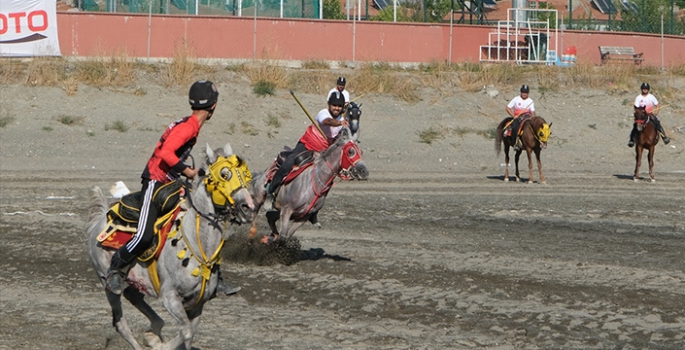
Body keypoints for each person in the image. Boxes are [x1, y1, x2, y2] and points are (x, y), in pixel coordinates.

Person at [106, 80, 238, 296]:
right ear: (213, 106)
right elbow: (165, 153)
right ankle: (115, 271)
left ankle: (216, 278)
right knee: (144, 236)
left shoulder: (190, 125)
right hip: (155, 182)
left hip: (171, 184)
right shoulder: (188, 127)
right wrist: (189, 171)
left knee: (204, 223)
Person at [264, 91, 349, 210]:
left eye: (339, 106)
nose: (336, 108)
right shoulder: (323, 114)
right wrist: (340, 123)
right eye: (334, 105)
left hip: (322, 152)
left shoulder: (342, 121)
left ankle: (313, 207)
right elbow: (327, 122)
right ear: (329, 104)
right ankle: (270, 191)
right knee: (288, 163)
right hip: (306, 145)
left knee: (327, 179)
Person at [628, 82, 670, 147]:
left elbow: (657, 105)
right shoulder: (638, 98)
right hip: (642, 115)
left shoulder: (651, 97)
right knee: (635, 125)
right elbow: (636, 108)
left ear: (648, 89)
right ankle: (632, 140)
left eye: (646, 89)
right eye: (644, 89)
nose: (645, 90)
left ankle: (664, 137)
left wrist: (656, 112)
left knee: (657, 123)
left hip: (650, 114)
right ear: (641, 89)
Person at [505, 85, 536, 151]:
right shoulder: (516, 99)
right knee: (515, 127)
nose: (524, 94)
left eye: (526, 92)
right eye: (523, 92)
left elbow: (533, 111)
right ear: (521, 92)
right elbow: (507, 108)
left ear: (528, 93)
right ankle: (515, 143)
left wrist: (533, 117)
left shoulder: (530, 101)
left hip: (527, 117)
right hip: (518, 117)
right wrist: (513, 116)